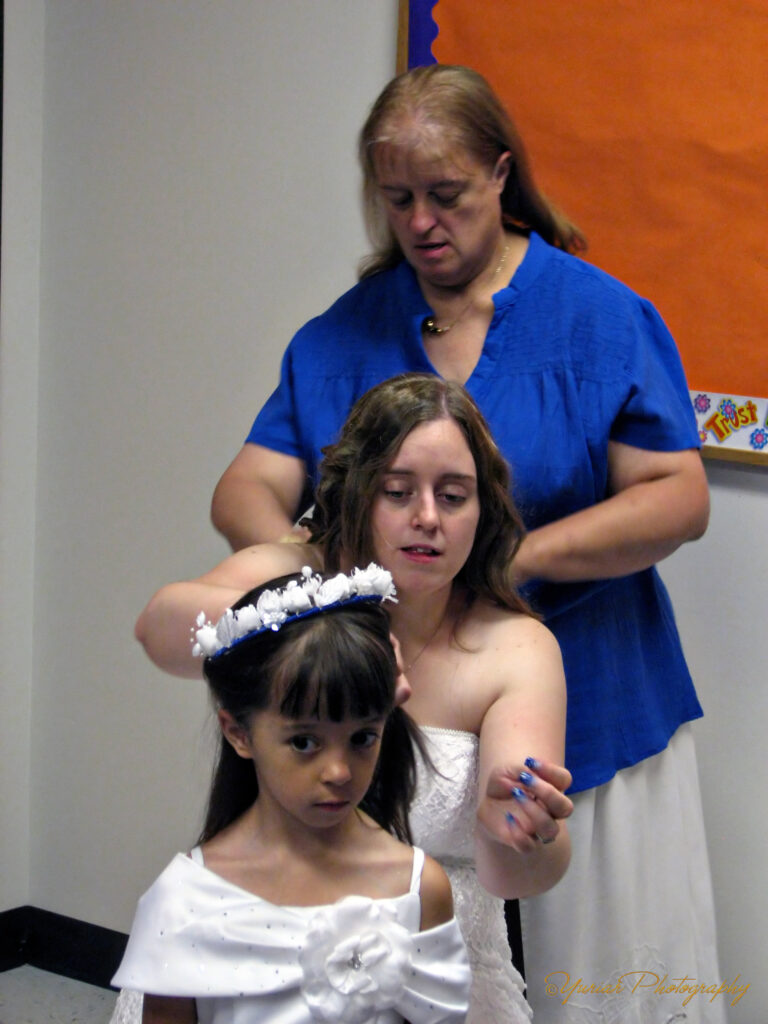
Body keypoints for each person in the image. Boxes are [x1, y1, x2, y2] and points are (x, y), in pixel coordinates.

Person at [206, 64, 721, 1024]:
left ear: (499, 174)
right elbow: (245, 488)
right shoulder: (344, 333)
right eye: (396, 200)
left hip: (597, 706)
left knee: (608, 988)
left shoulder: (600, 316)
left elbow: (676, 497)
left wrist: (506, 565)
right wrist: (317, 585)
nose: (421, 223)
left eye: (445, 195)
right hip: (408, 729)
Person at [127, 374, 573, 1024]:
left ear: (484, 511)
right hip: (266, 936)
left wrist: (517, 834)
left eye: (453, 496)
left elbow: (516, 878)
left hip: (435, 952)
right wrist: (327, 619)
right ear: (360, 492)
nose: (427, 516)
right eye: (398, 492)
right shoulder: (294, 574)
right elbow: (161, 630)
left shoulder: (515, 647)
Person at [112, 567, 472, 1024]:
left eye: (362, 737)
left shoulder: (420, 887)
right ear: (239, 733)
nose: (338, 772)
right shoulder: (186, 900)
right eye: (304, 742)